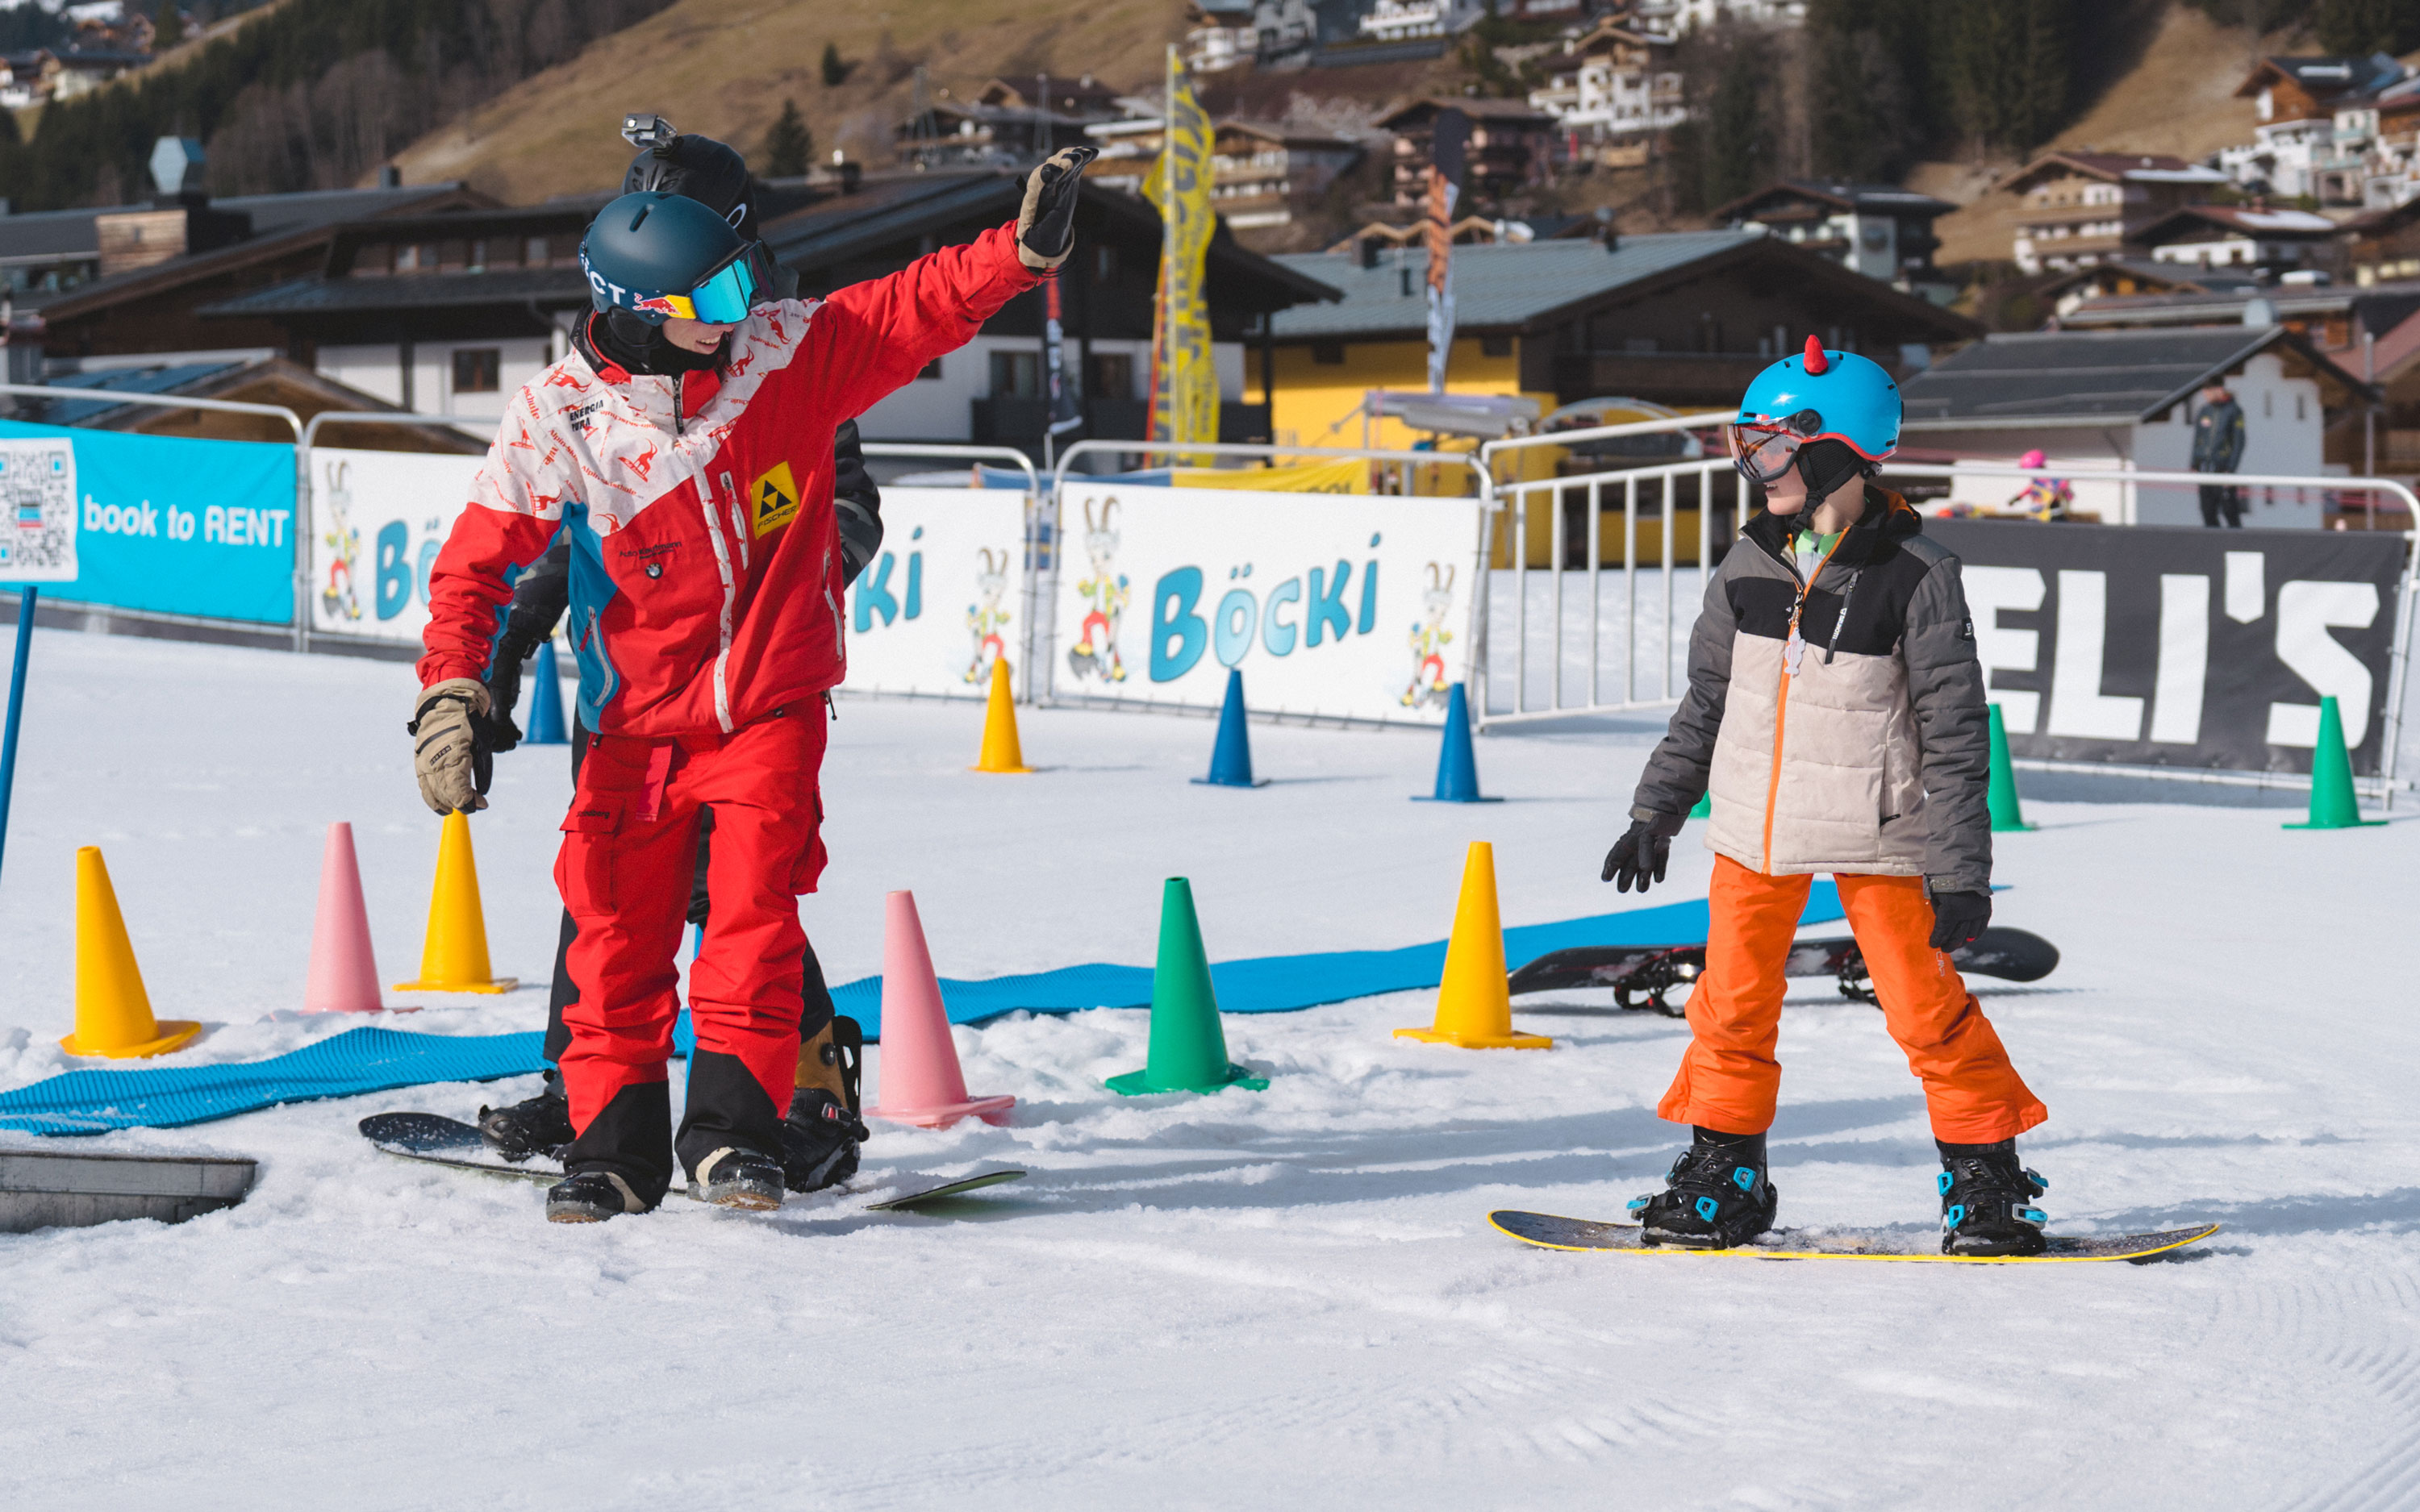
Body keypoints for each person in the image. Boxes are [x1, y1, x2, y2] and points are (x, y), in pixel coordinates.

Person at [410, 142, 1099, 1223]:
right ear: (639, 308)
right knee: (611, 933)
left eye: (746, 280)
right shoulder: (564, 417)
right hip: (631, 723)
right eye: (718, 293)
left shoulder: (784, 355)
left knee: (751, 922)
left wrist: (1015, 256)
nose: (744, 308)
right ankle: (611, 1143)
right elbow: (478, 567)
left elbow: (906, 309)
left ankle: (737, 1133)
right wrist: (455, 693)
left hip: (767, 710)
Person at [471, 131, 886, 1197]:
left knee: (744, 891)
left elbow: (847, 500)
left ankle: (811, 1088)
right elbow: (584, 521)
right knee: (603, 892)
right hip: (632, 673)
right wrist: (509, 640)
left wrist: (783, 580)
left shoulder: (776, 335)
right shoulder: (620, 334)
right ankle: (588, 1094)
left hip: (751, 679)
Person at [1602, 335, 2051, 1258]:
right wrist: (1656, 810)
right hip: (1750, 836)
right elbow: (1709, 703)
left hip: (1876, 834)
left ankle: (1984, 1176)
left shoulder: (1917, 575)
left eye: (1768, 449)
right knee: (1727, 1008)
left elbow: (1957, 735)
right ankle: (1726, 1172)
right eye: (1745, 446)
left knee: (1925, 1007)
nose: (1750, 467)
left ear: (1836, 452)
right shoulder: (1748, 566)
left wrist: (1961, 870)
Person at [2190, 380, 2247, 528]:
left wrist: (2231, 470)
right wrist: (2194, 462)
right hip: (2205, 469)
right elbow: (2198, 438)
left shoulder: (2234, 411)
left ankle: (2237, 544)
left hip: (2223, 469)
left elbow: (2239, 442)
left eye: (2208, 392)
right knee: (2207, 511)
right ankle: (2213, 545)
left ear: (2219, 389)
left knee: (2230, 511)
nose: (2206, 396)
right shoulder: (2205, 411)